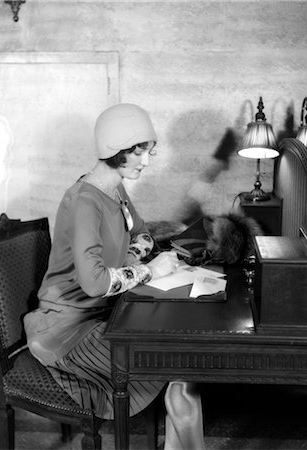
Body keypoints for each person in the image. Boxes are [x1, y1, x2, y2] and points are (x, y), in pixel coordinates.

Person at [24, 103, 205, 450]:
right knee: (173, 362)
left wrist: (130, 261)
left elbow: (144, 235)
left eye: (148, 151)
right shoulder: (83, 201)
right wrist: (149, 270)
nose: (146, 161)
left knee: (181, 356)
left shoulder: (115, 188)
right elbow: (94, 282)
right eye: (138, 151)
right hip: (65, 328)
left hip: (104, 311)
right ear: (113, 148)